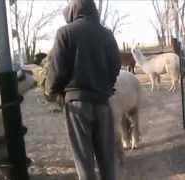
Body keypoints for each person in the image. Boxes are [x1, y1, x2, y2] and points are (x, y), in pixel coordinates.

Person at [46, 0, 121, 179]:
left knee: (84, 160)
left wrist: (51, 91)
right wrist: (105, 86)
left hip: (77, 104)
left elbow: (57, 71)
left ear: (73, 11)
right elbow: (116, 66)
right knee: (107, 159)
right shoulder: (107, 34)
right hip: (102, 103)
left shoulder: (65, 33)